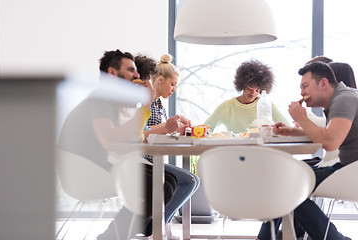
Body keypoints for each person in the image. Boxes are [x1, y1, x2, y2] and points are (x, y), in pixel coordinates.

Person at [58, 49, 179, 240]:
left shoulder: (114, 103)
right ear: (113, 73)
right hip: (85, 171)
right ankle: (110, 237)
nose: (137, 75)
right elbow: (110, 141)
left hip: (102, 164)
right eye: (131, 70)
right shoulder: (101, 99)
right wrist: (145, 108)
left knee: (168, 181)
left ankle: (120, 233)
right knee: (159, 185)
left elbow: (133, 138)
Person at [257, 61, 356, 240]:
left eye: (305, 86)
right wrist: (293, 131)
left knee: (288, 182)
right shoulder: (340, 98)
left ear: (323, 83)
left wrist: (301, 118)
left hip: (352, 172)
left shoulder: (344, 99)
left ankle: (334, 238)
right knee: (285, 177)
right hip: (348, 169)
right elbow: (329, 134)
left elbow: (331, 142)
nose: (301, 93)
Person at [135, 53, 199, 238]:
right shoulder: (146, 103)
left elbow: (152, 131)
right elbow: (144, 134)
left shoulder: (158, 104)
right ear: (160, 80)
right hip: (144, 158)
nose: (174, 90)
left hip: (151, 157)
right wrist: (166, 128)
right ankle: (155, 228)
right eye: (173, 84)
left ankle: (158, 227)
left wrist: (174, 130)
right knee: (189, 181)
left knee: (192, 181)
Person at [204, 59, 289, 133]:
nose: (253, 93)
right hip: (234, 149)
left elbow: (286, 126)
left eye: (257, 90)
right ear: (242, 85)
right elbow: (206, 128)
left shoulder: (265, 105)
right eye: (250, 89)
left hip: (261, 149)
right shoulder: (227, 106)